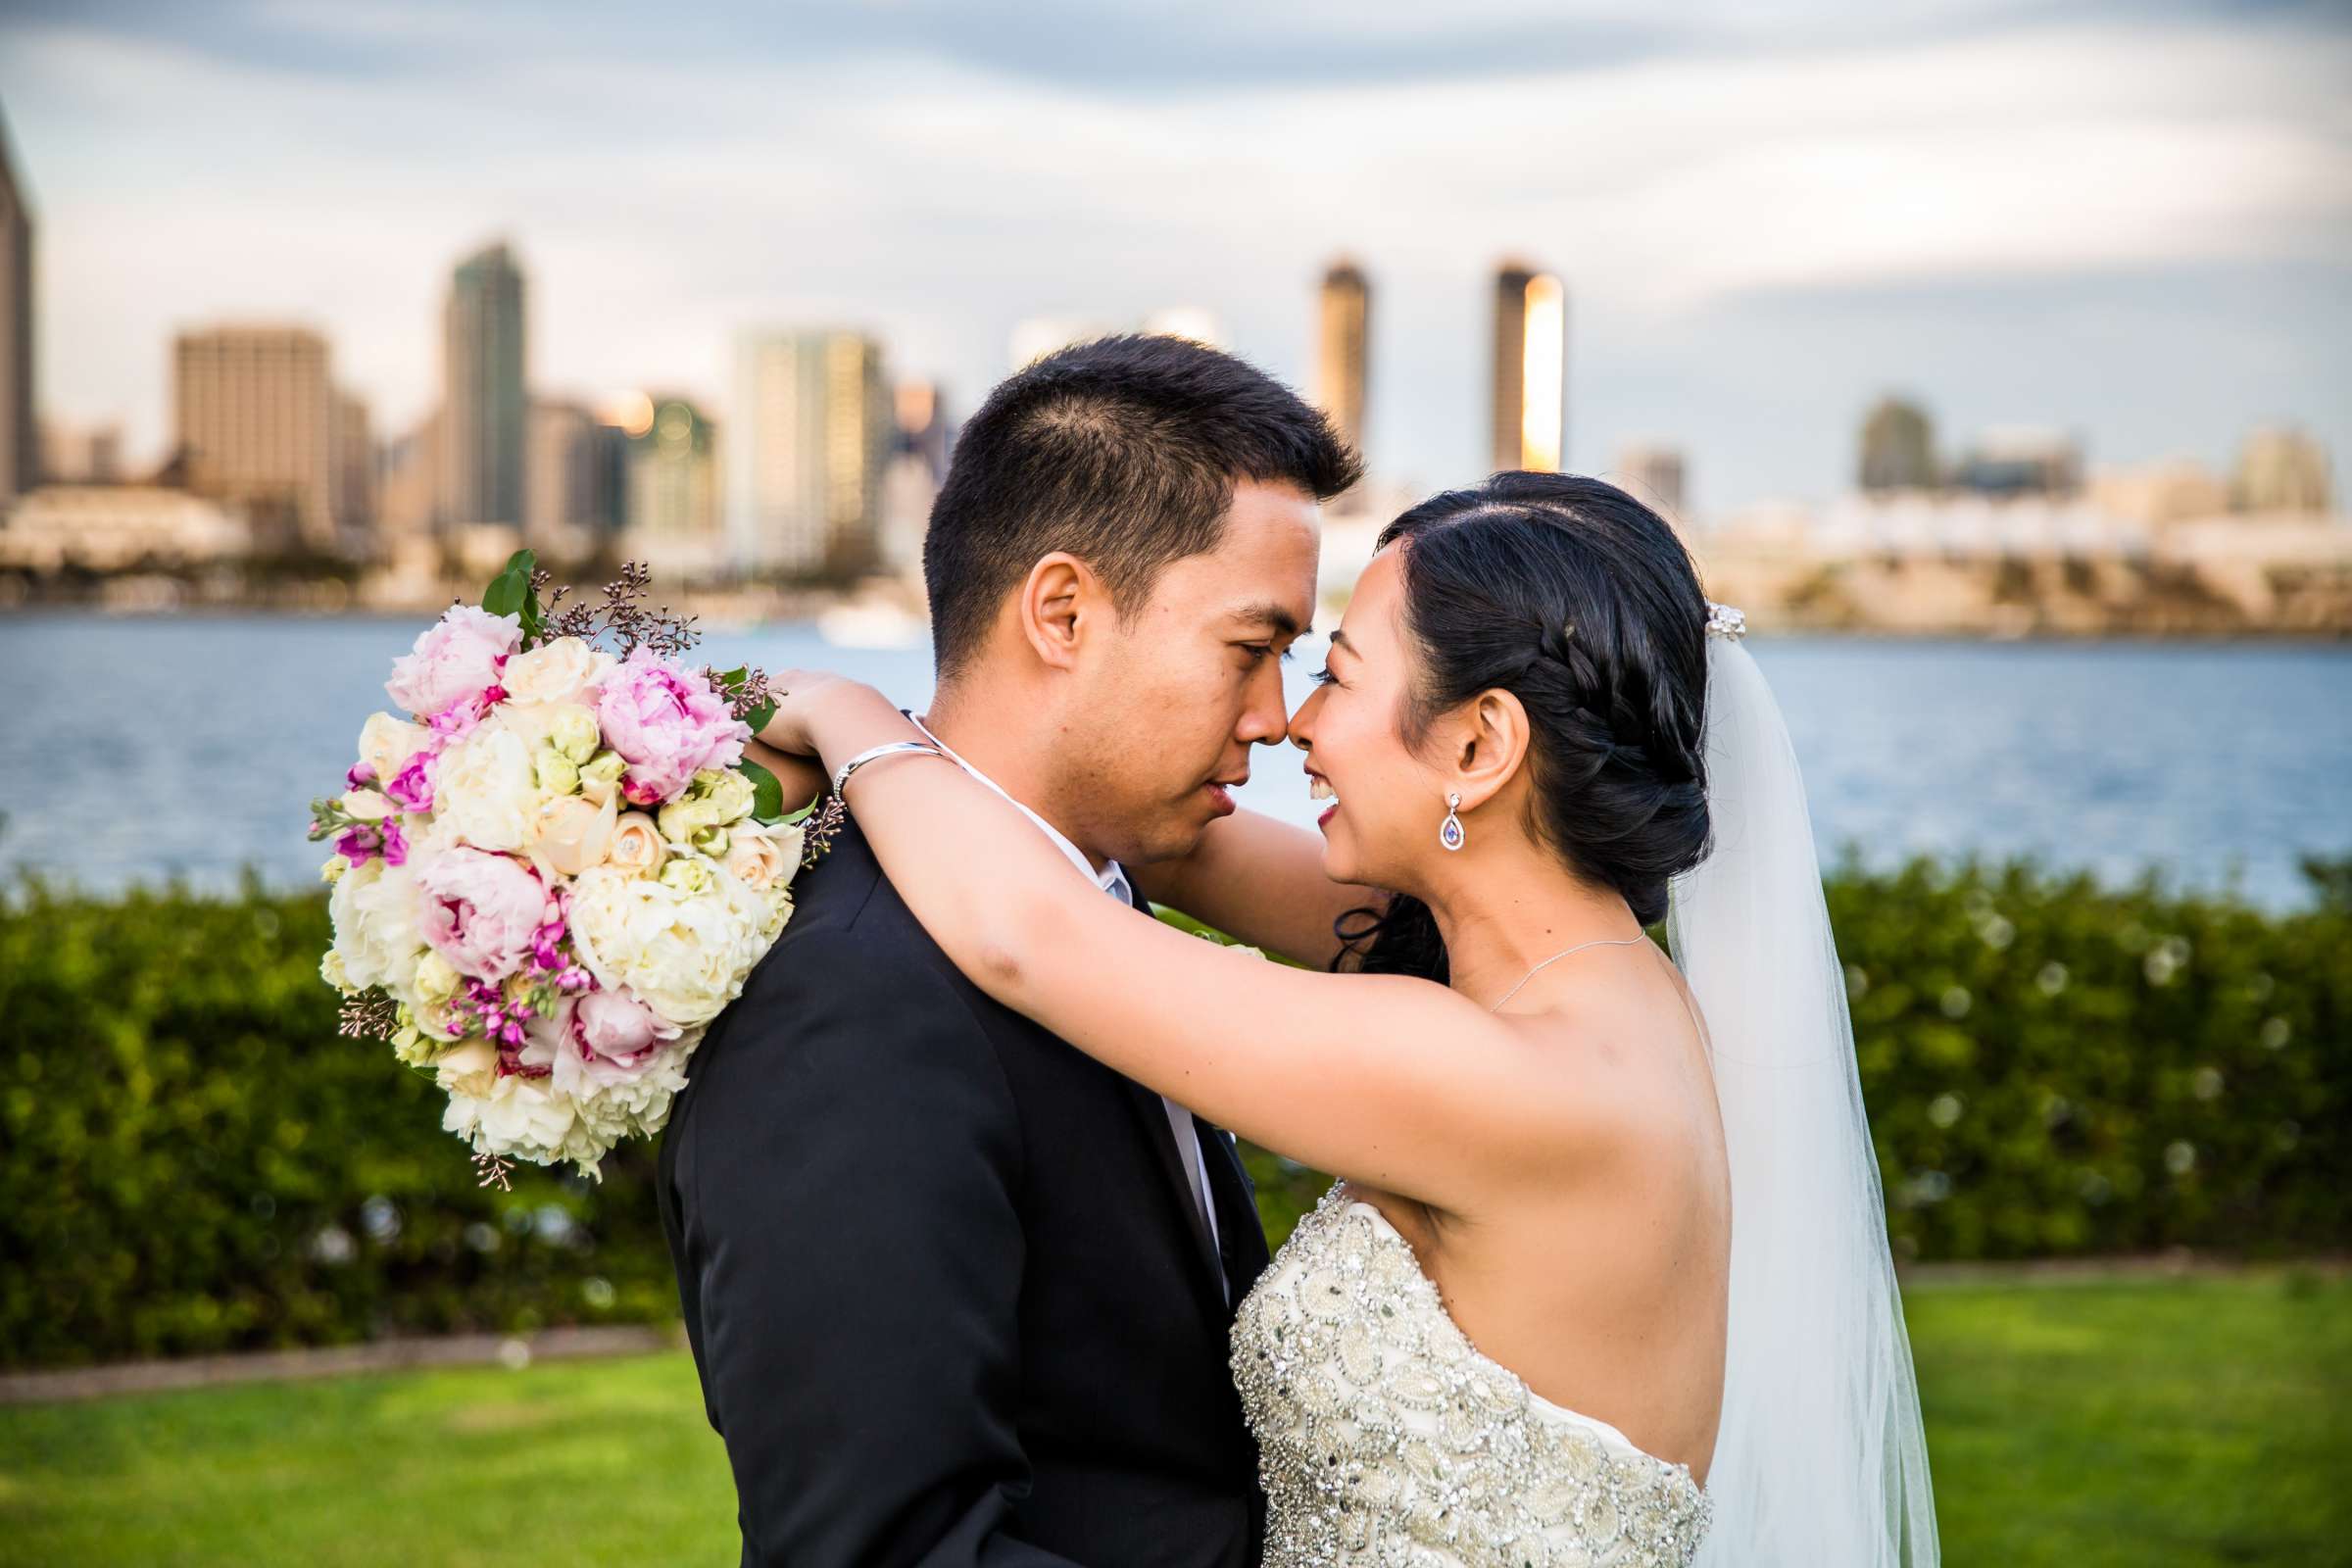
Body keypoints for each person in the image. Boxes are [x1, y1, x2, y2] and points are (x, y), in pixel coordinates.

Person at [753, 472, 1939, 1566]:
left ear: (1479, 743)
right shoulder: (1595, 983)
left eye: (1336, 673)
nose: (1292, 723)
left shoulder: (1512, 1080)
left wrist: (844, 712)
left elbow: (1031, 936)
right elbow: (1165, 831)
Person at [658, 332, 1361, 1566]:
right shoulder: (857, 997)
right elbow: (892, 1549)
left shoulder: (1092, 891)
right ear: (1062, 610)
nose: (1276, 720)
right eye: (1252, 650)